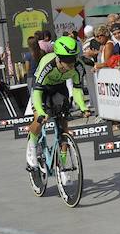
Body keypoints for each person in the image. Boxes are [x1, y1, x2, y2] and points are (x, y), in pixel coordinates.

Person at [25, 37, 91, 170]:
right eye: (67, 60)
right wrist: (41, 112)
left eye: (74, 58)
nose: (72, 63)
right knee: (40, 118)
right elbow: (37, 93)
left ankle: (62, 165)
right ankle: (32, 146)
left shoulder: (78, 66)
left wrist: (83, 107)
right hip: (41, 89)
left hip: (59, 87)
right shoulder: (48, 65)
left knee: (63, 128)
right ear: (59, 58)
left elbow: (77, 90)